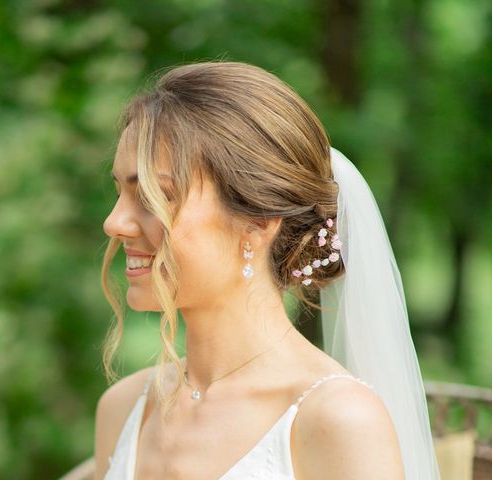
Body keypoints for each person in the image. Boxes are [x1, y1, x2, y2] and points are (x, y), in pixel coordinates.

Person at [95, 61, 439, 479]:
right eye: (120, 192)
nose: (114, 223)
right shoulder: (124, 407)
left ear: (257, 223)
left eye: (152, 196)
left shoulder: (337, 420)